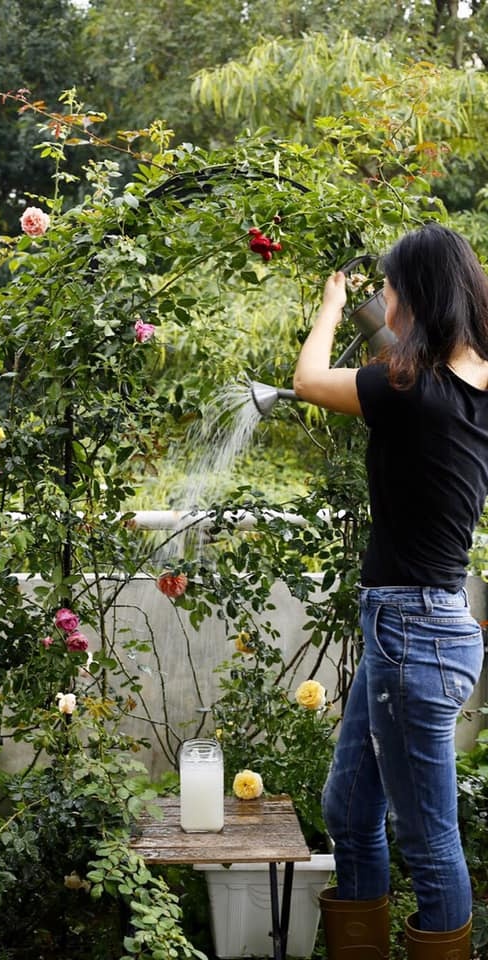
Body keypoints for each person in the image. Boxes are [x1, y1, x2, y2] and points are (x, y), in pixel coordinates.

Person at [292, 223, 488, 960]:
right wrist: (376, 306)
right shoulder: (467, 381)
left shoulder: (413, 391)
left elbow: (311, 380)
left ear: (417, 293)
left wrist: (331, 308)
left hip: (411, 632)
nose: (384, 296)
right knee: (350, 808)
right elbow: (408, 361)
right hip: (424, 629)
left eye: (390, 286)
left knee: (428, 838)